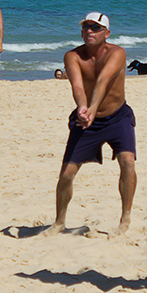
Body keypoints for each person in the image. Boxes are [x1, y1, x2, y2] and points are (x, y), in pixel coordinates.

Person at [47, 13, 137, 236]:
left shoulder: (117, 53)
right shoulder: (72, 56)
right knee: (66, 174)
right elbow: (78, 86)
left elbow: (103, 82)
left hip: (117, 116)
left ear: (106, 33)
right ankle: (59, 222)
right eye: (86, 27)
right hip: (87, 119)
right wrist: (82, 108)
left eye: (96, 28)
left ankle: (125, 217)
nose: (89, 31)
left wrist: (92, 107)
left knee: (127, 161)